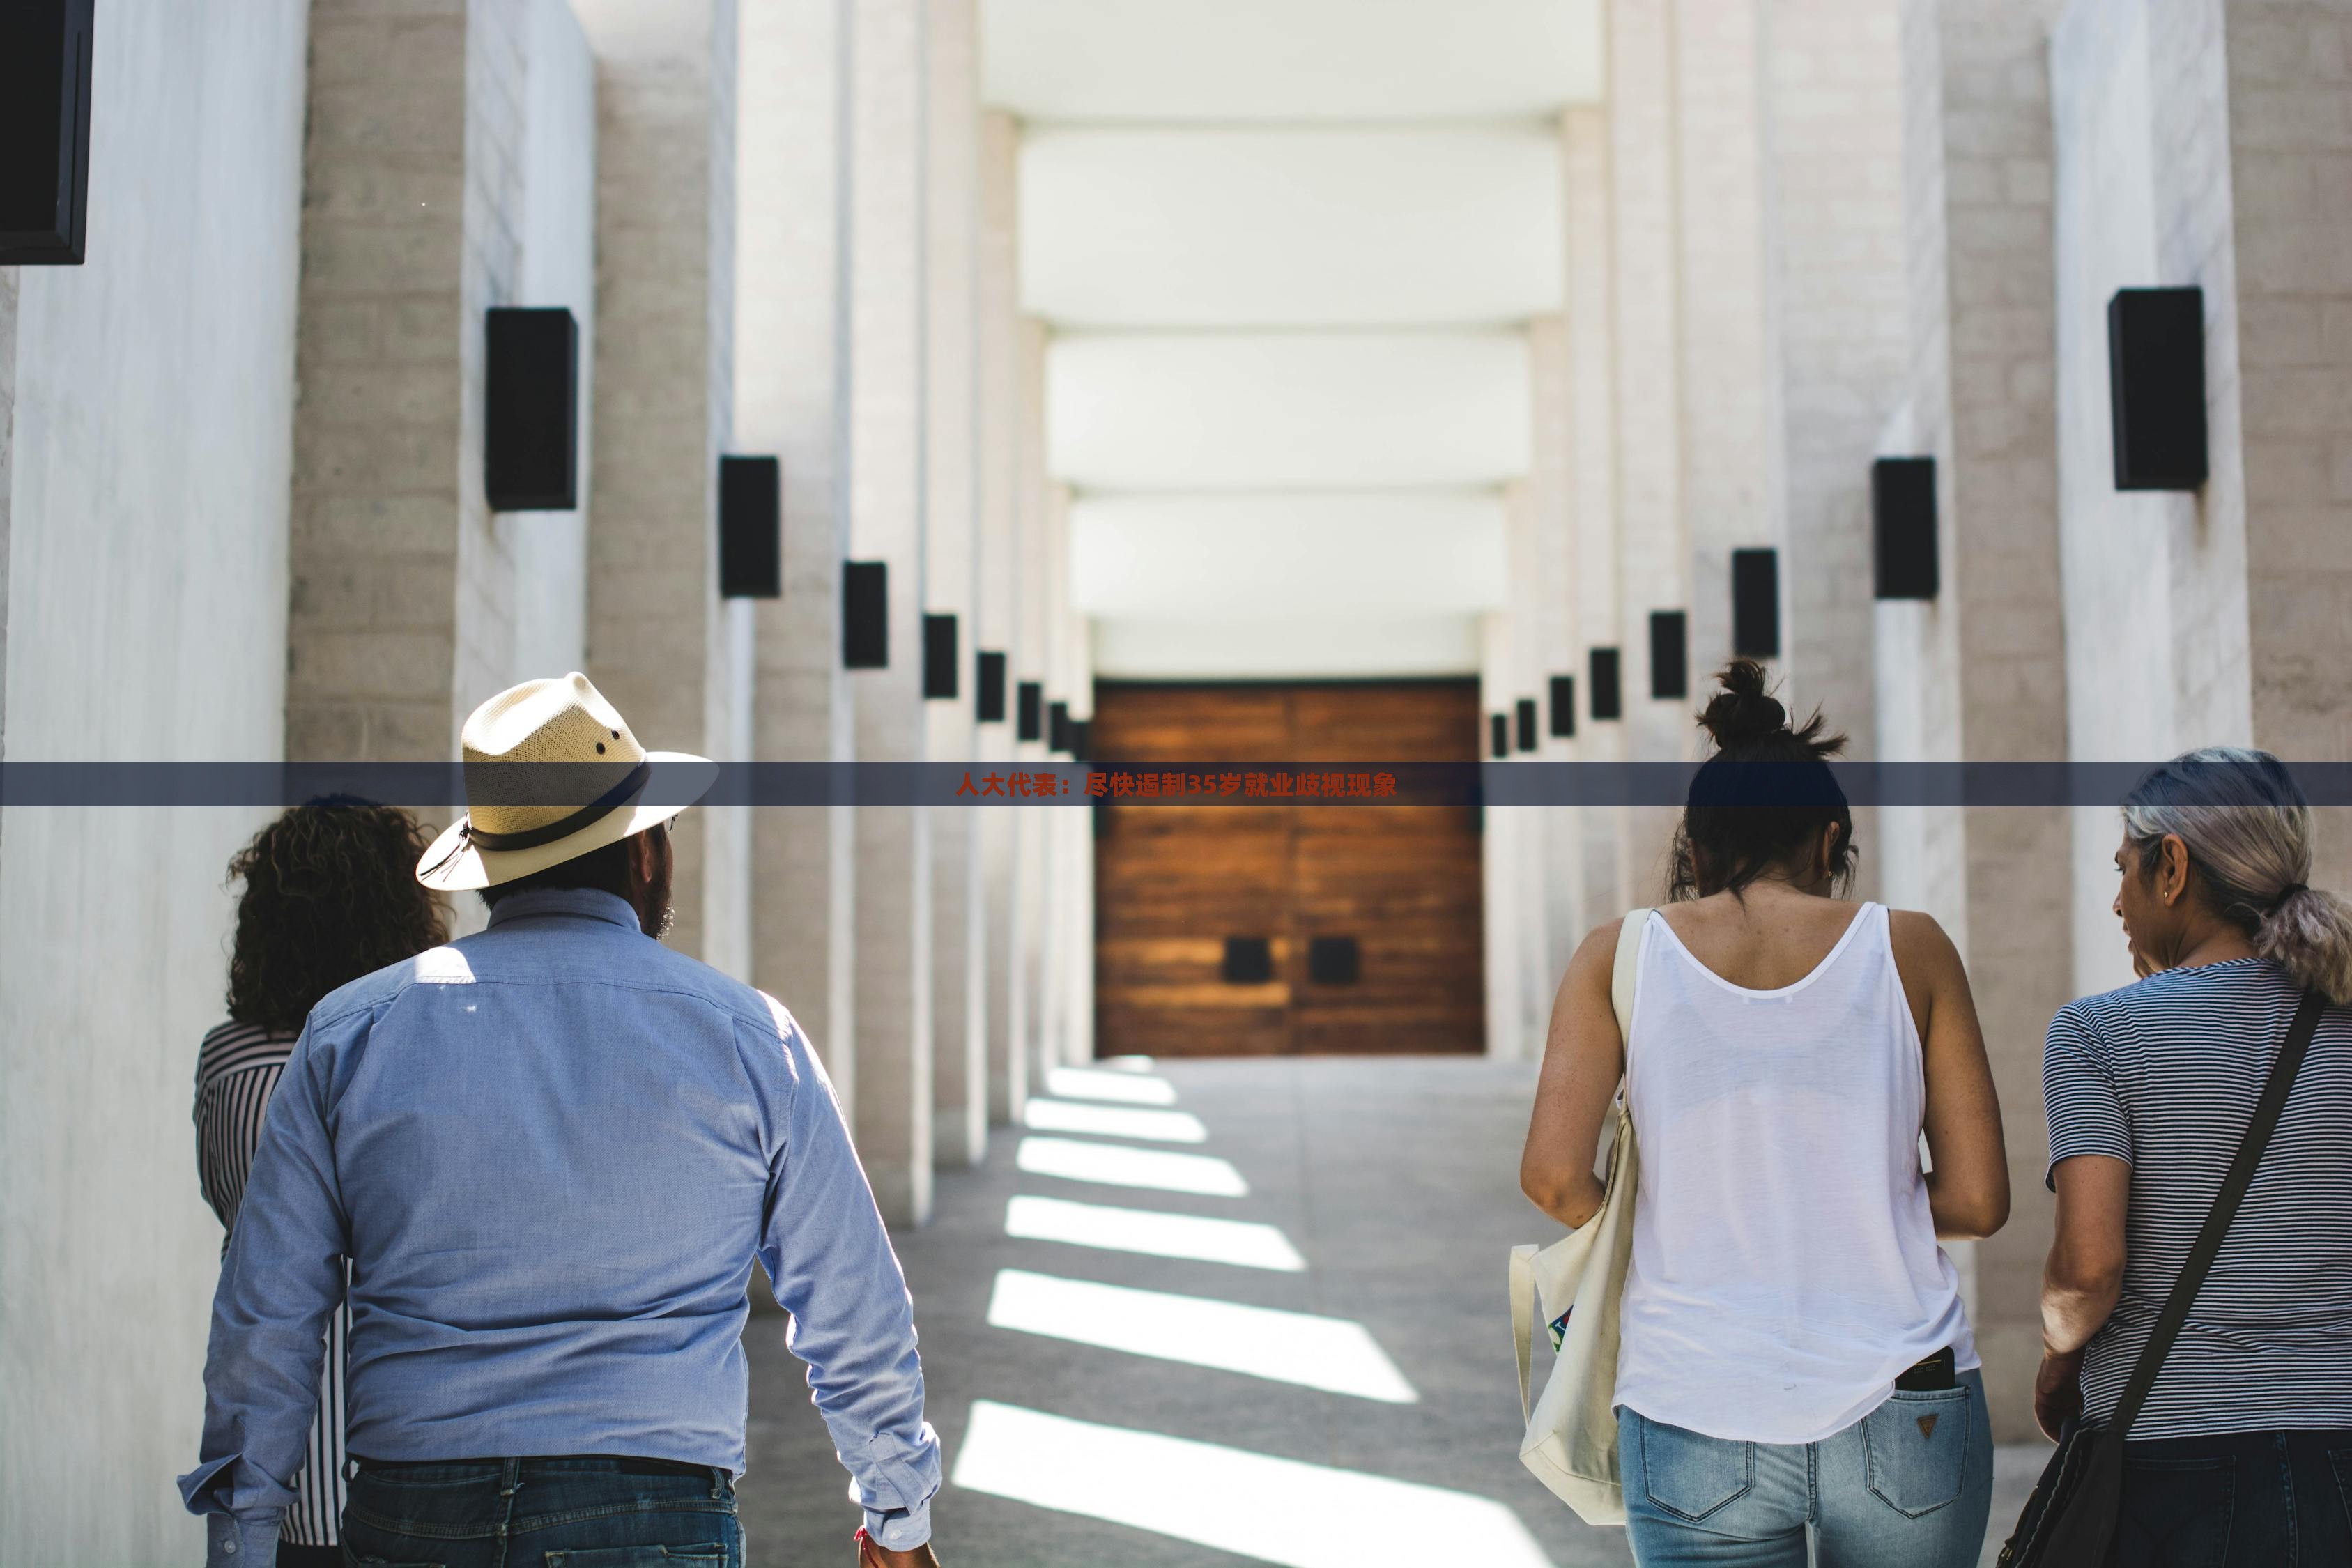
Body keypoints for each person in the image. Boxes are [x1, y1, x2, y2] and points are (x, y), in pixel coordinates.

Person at [180, 672, 945, 1568]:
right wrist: (897, 1518)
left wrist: (243, 1542)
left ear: (491, 867)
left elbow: (266, 1314)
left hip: (414, 1512)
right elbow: (852, 1299)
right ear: (647, 853)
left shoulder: (354, 1032)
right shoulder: (749, 1037)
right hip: (656, 1511)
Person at [1519, 659, 2009, 1567]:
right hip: (1905, 1395)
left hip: (1692, 1395)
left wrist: (1680, 1215)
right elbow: (1979, 1199)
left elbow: (1551, 1174)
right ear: (1828, 842)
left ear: (1695, 848)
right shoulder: (1909, 948)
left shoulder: (1614, 956)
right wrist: (1851, 1202)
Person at [2037, 747, 2352, 1567]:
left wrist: (2057, 1354)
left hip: (2172, 1463)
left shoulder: (2098, 1034)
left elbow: (2088, 1270)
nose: (2115, 902)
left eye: (2124, 870)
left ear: (2171, 867)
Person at [197, 800, 447, 1567]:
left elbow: (235, 1220)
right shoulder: (422, 1056)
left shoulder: (229, 1061)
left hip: (280, 1472)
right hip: (410, 1463)